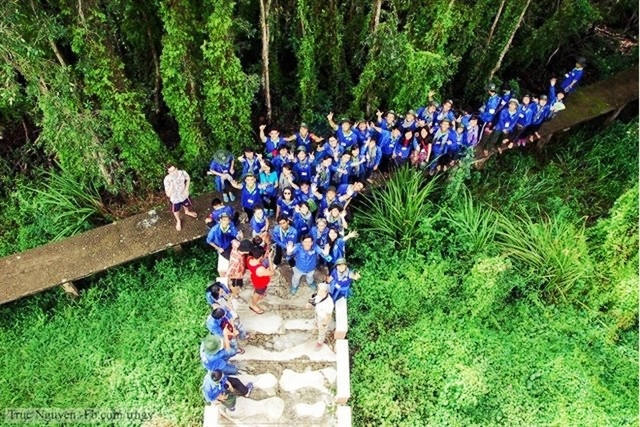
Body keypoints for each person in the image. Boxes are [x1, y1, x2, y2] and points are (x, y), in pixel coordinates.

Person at [164, 164, 197, 231]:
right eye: (171, 171)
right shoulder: (167, 180)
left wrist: (186, 189)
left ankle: (187, 211)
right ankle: (178, 220)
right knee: (176, 210)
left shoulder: (182, 173)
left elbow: (188, 179)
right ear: (168, 172)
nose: (173, 172)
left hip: (183, 195)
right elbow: (168, 194)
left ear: (177, 168)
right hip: (175, 199)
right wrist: (172, 185)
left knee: (186, 204)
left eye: (174, 170)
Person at [306, 282, 334, 351]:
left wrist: (324, 324)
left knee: (322, 331)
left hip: (323, 319)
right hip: (318, 314)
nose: (319, 293)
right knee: (317, 321)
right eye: (319, 290)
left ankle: (320, 342)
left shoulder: (329, 303)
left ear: (326, 292)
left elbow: (328, 316)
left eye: (322, 291)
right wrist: (309, 303)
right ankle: (317, 323)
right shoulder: (319, 296)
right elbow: (314, 299)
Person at [246, 245, 274, 315]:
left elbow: (259, 260)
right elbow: (272, 272)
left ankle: (259, 295)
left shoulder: (249, 258)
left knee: (259, 291)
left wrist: (264, 255)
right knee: (258, 293)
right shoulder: (260, 269)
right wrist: (269, 258)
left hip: (255, 278)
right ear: (261, 256)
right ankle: (253, 305)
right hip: (260, 283)